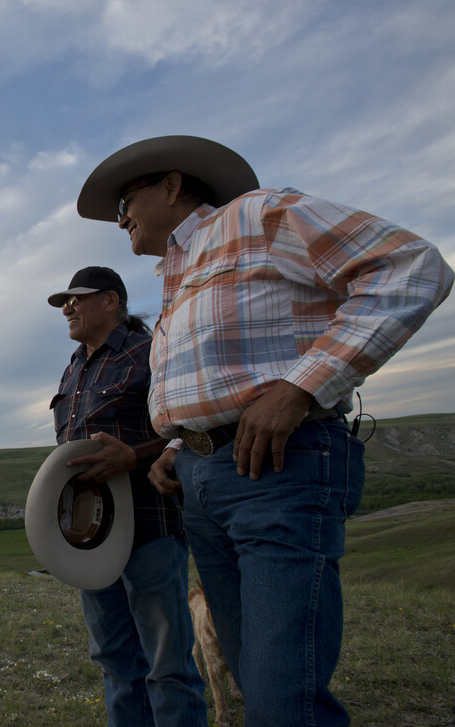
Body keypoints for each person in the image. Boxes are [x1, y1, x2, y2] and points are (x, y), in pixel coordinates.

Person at [75, 135, 454, 725]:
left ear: (172, 186)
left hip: (278, 468)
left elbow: (410, 266)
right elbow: (224, 371)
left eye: (126, 201)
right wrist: (179, 444)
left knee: (282, 692)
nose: (120, 218)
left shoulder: (258, 216)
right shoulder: (176, 278)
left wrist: (301, 386)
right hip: (203, 481)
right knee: (252, 673)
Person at [48, 265, 208, 726]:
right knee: (114, 659)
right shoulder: (76, 365)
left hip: (150, 527)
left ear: (111, 300)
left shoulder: (150, 351)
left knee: (168, 666)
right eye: (63, 301)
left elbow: (190, 428)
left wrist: (133, 457)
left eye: (77, 298)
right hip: (91, 536)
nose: (67, 308)